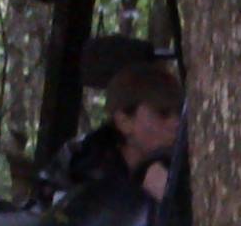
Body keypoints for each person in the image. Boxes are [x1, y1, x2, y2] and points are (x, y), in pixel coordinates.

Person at [57, 60, 181, 208]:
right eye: (163, 114)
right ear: (124, 122)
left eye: (180, 113)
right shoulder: (80, 172)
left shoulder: (183, 170)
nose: (177, 123)